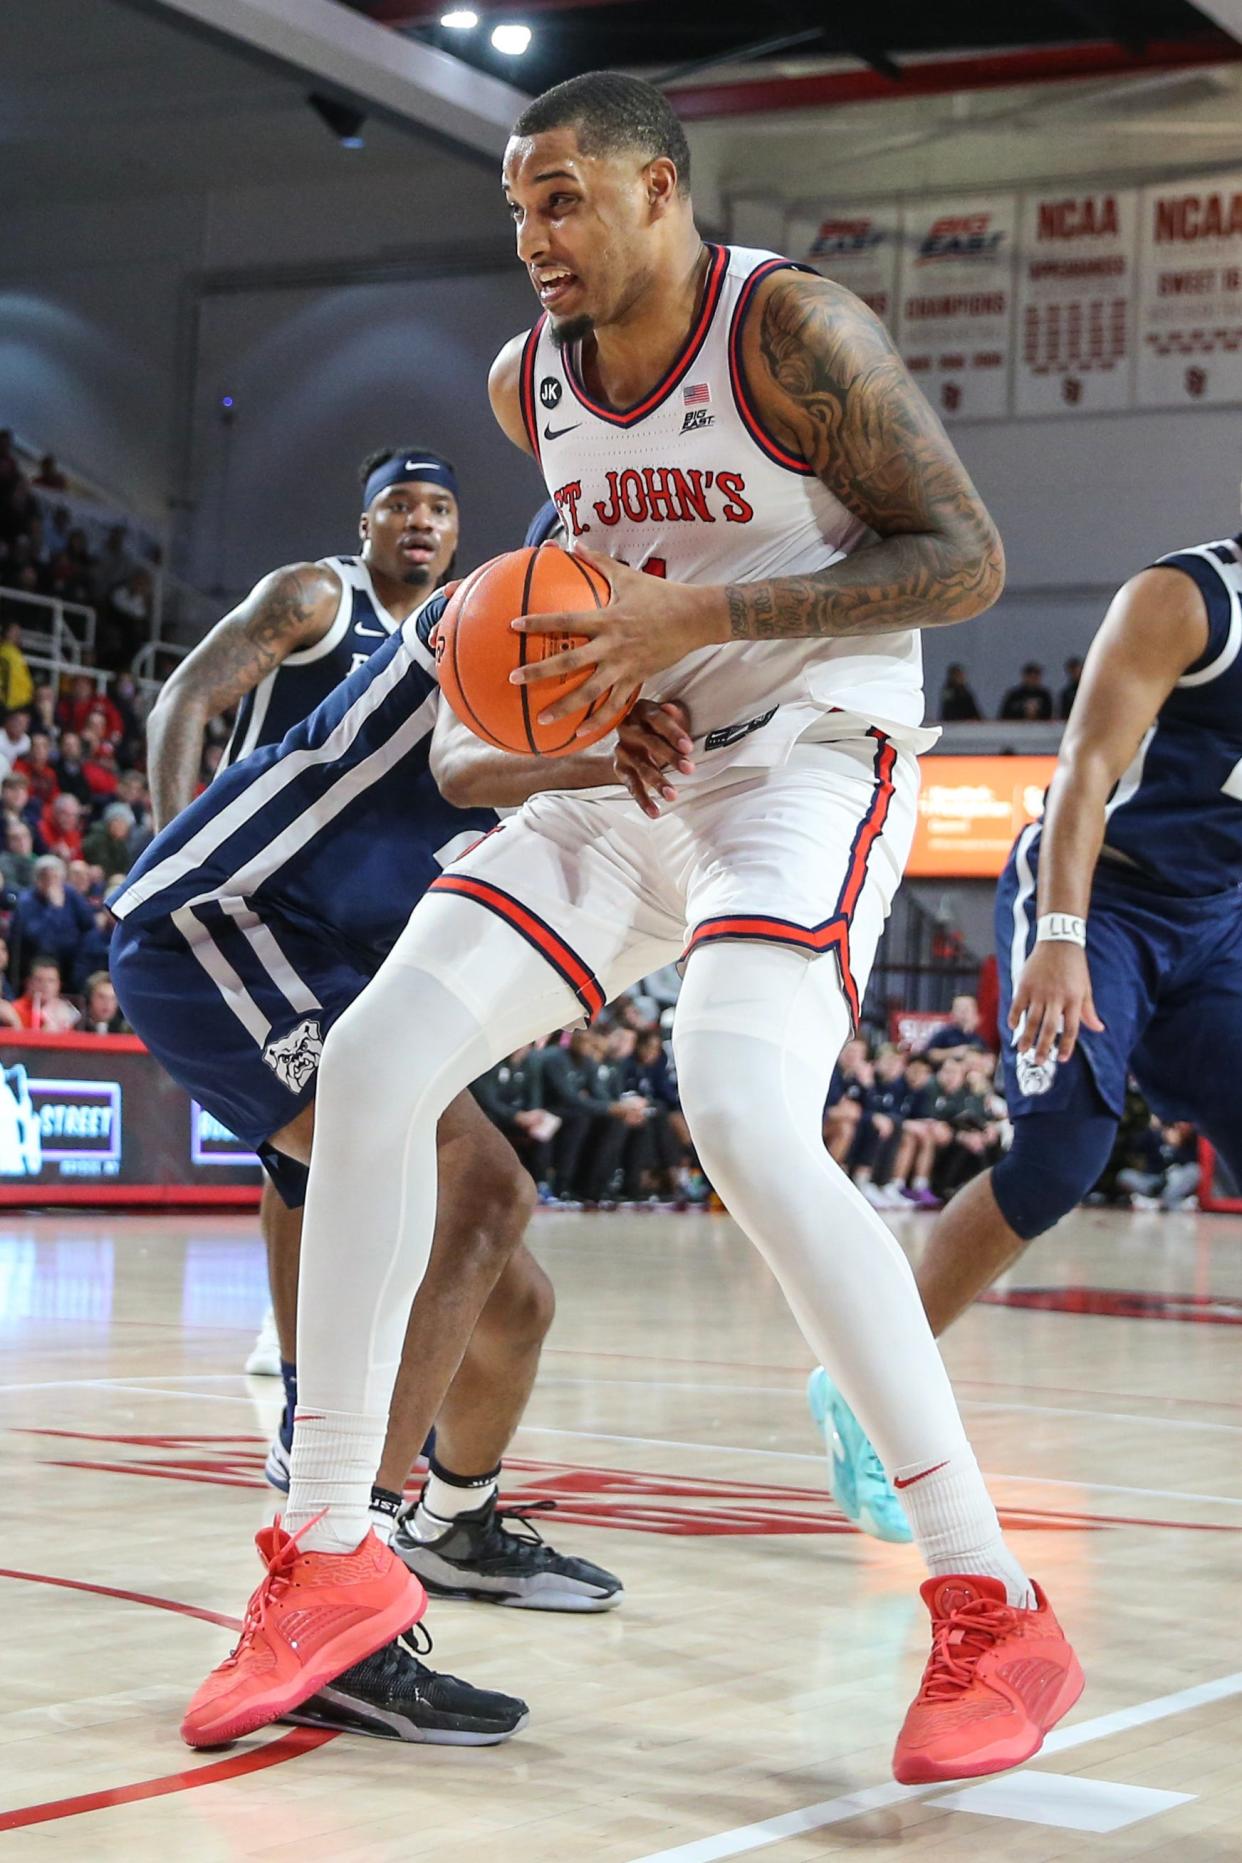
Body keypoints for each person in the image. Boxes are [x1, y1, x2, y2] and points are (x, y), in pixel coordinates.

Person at [244, 72, 1079, 1785]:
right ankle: (327, 1550)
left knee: (739, 1105)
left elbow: (966, 555)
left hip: (806, 759)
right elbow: (514, 697)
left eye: (561, 198)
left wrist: (710, 610)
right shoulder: (526, 382)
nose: (535, 237)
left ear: (653, 190)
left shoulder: (787, 330)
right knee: (380, 1057)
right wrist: (582, 718)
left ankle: (992, 1600)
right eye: (514, 209)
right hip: (638, 769)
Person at [116, 490, 676, 1747]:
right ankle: (339, 1581)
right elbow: (452, 764)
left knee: (516, 1296)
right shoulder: (525, 600)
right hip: (228, 925)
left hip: (342, 956)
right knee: (480, 1195)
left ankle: (455, 1518)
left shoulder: (635, 626)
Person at [815, 516, 1242, 1544]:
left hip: (1215, 919)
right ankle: (863, 1384)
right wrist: (1061, 936)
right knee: (1060, 1159)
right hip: (1099, 900)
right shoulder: (1188, 597)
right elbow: (1085, 771)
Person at [9, 854, 94, 982]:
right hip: (39, 958)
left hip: (72, 957)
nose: (50, 883)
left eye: (55, 877)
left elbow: (89, 924)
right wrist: (54, 909)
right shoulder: (27, 901)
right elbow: (39, 939)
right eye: (45, 878)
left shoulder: (70, 894)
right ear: (37, 880)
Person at [13, 955, 79, 1032]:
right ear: (29, 983)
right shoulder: (16, 1010)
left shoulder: (65, 1012)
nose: (45, 985)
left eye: (51, 981)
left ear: (59, 985)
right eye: (39, 980)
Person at [922, 993, 989, 1064]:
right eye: (960, 1009)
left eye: (967, 1009)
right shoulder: (945, 1034)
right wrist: (954, 1052)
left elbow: (987, 1057)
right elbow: (928, 1055)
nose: (964, 1013)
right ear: (952, 1013)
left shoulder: (979, 1037)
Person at [0, 621, 34, 711]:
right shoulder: (4, 652)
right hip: (10, 704)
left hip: (23, 702)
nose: (17, 633)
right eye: (14, 630)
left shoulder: (16, 653)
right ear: (6, 633)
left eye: (18, 631)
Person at [1058, 654, 1083, 720]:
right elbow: (1063, 713)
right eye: (1072, 670)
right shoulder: (1066, 693)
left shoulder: (1090, 690)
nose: (1074, 672)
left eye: (1076, 669)